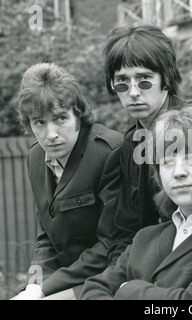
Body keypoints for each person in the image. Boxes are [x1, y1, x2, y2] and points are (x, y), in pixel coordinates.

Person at [79, 105, 192, 300]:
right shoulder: (145, 238)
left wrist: (128, 290)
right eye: (167, 162)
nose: (178, 172)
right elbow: (94, 288)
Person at [80, 21, 185, 280]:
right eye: (122, 83)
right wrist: (117, 281)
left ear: (166, 79)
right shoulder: (131, 144)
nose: (134, 92)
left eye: (144, 80)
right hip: (142, 271)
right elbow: (125, 232)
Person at [12, 62, 123, 300]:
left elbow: (111, 244)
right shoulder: (35, 157)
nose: (50, 134)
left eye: (60, 118)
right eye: (39, 122)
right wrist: (33, 286)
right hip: (61, 281)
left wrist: (45, 290)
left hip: (107, 279)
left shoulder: (109, 152)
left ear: (78, 114)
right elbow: (47, 238)